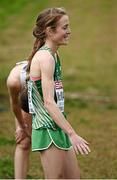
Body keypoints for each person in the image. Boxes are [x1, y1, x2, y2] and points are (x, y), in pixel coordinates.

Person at [27, 7, 91, 179]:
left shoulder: (53, 56)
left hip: (58, 124)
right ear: (49, 31)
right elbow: (48, 102)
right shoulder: (45, 58)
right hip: (48, 128)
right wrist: (72, 134)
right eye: (65, 27)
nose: (69, 31)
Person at [7, 61, 32, 179]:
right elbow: (15, 104)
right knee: (23, 142)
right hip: (25, 89)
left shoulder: (48, 69)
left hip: (47, 98)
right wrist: (21, 126)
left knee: (51, 142)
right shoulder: (15, 82)